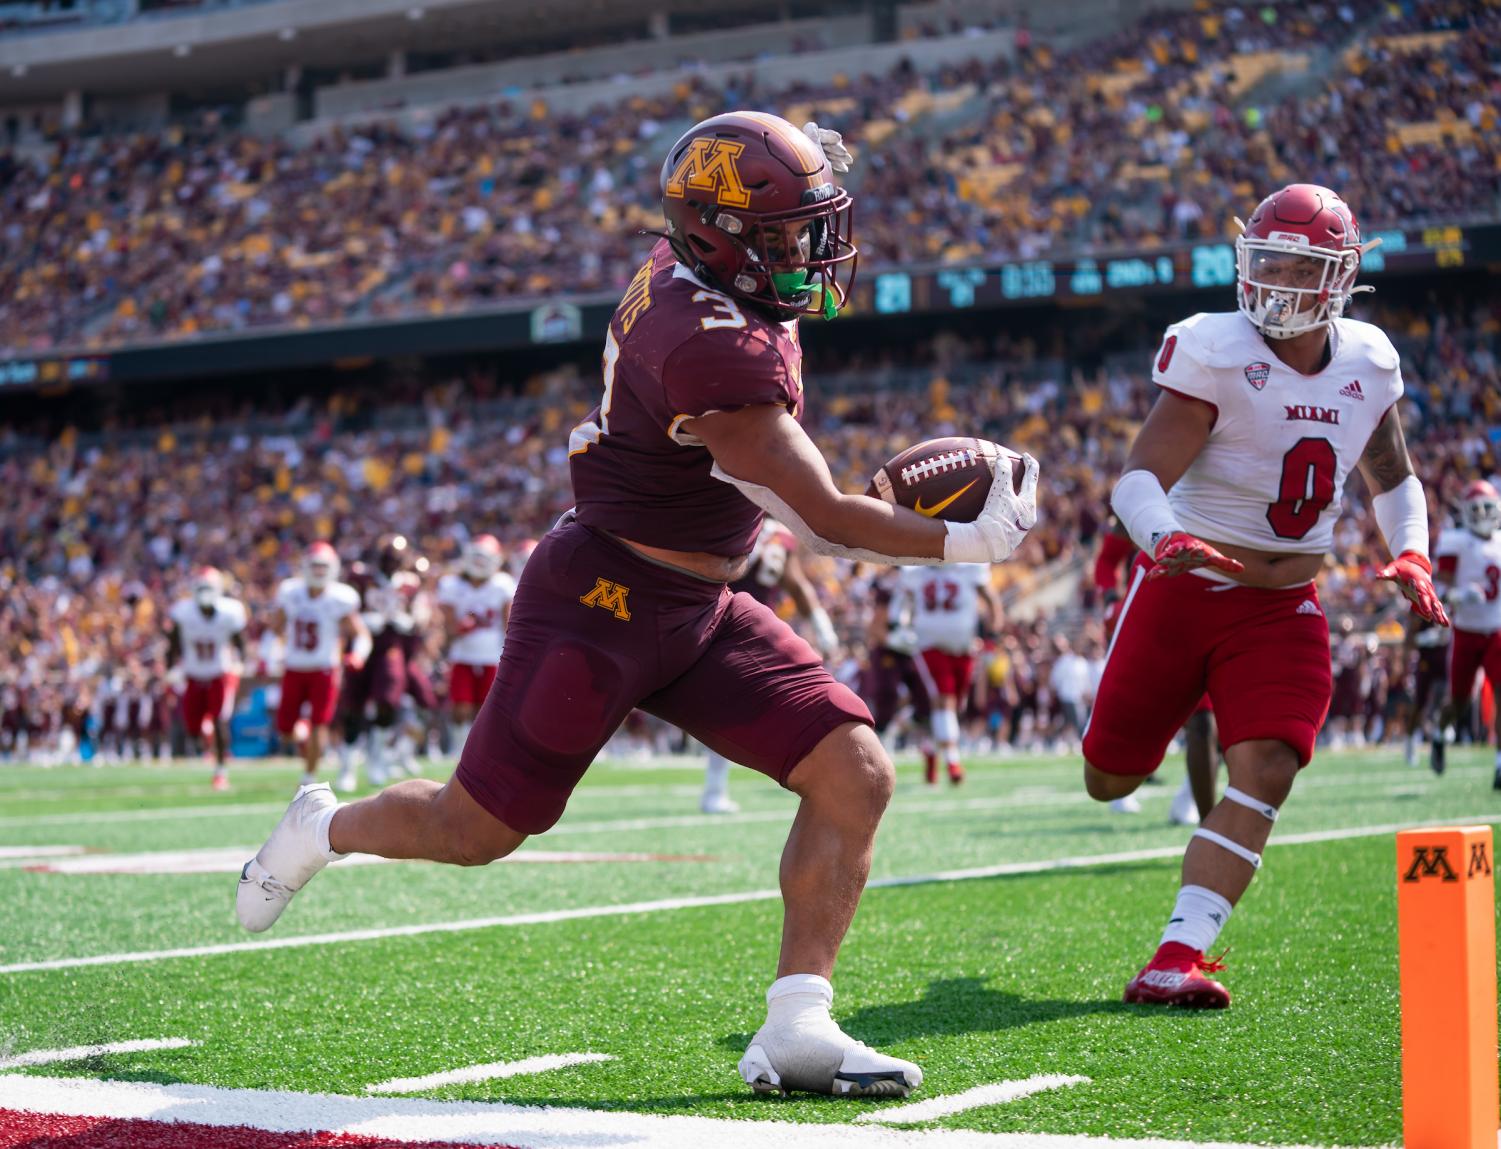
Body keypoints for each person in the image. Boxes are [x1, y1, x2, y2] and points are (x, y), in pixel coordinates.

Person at [237, 111, 1038, 1099]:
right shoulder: (710, 347)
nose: (811, 255)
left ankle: (797, 1026)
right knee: (473, 831)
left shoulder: (704, 278)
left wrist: (807, 157)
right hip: (599, 601)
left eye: (810, 229)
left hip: (698, 605)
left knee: (855, 771)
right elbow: (825, 519)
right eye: (787, 237)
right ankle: (323, 828)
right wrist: (967, 540)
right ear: (717, 239)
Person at [1083, 183, 1449, 1008]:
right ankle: (1159, 742)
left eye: (1300, 264)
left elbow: (1393, 478)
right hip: (1183, 588)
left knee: (1269, 769)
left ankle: (1176, 954)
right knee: (1107, 778)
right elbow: (1138, 476)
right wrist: (1162, 536)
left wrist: (1414, 556)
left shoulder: (1368, 360)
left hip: (1284, 605)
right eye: (1267, 259)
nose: (1279, 279)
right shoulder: (1212, 347)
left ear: (1340, 277)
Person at [700, 518, 838, 814]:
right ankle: (716, 790)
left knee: (743, 706)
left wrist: (823, 628)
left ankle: (720, 788)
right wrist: (824, 629)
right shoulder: (766, 531)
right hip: (729, 623)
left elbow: (796, 585)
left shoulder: (775, 534)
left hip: (739, 626)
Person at [270, 542, 370, 784]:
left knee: (320, 722)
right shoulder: (290, 592)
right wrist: (269, 656)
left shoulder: (340, 597)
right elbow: (275, 628)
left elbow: (361, 635)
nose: (318, 571)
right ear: (305, 566)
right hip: (294, 666)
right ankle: (303, 738)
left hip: (324, 668)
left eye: (323, 566)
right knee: (284, 728)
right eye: (314, 565)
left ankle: (309, 775)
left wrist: (358, 655)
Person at [898, 563, 997, 784]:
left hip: (964, 648)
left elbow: (992, 601)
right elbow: (903, 604)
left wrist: (992, 639)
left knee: (954, 706)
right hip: (929, 645)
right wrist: (902, 628)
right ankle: (953, 762)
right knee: (944, 701)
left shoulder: (970, 566)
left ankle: (930, 750)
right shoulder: (916, 571)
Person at [1432, 479, 1501, 783]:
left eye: (1488, 507)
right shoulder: (1455, 540)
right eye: (1478, 508)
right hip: (1466, 630)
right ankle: (1439, 730)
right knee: (1459, 702)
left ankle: (1499, 762)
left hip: (1496, 630)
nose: (1484, 514)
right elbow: (1441, 588)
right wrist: (1459, 595)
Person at [165, 566, 248, 791]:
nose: (204, 592)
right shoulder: (183, 612)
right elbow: (172, 644)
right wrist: (170, 668)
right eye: (201, 587)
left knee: (220, 719)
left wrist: (242, 662)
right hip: (193, 675)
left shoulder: (230, 612)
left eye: (208, 587)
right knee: (191, 728)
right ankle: (206, 738)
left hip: (219, 674)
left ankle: (221, 771)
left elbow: (240, 641)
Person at [436, 534, 516, 757]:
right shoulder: (451, 584)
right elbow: (448, 628)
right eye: (477, 558)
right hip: (462, 654)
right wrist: (459, 627)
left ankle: (479, 750)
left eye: (485, 558)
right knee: (460, 707)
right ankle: (459, 747)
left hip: (492, 655)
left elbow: (509, 625)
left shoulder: (503, 585)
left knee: (484, 709)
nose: (480, 564)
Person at [863, 567, 935, 774]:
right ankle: (880, 745)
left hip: (913, 649)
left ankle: (893, 733)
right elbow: (875, 626)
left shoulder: (926, 586)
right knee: (887, 696)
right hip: (889, 649)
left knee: (927, 703)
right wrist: (893, 639)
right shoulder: (890, 588)